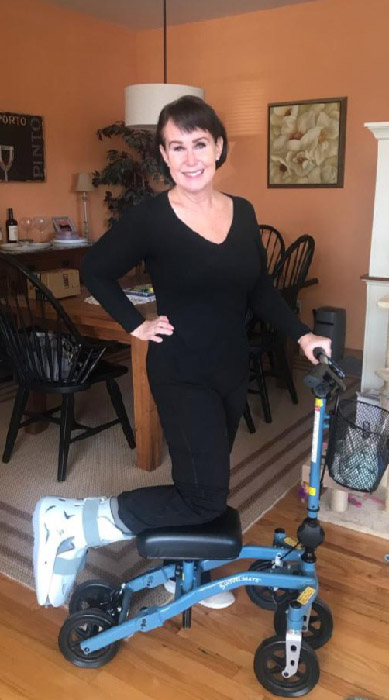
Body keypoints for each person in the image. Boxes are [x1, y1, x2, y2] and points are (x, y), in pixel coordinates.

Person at [33, 96, 331, 610]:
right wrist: (136, 325)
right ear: (165, 158)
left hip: (230, 369)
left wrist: (301, 334)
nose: (190, 157)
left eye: (199, 143)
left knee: (198, 475)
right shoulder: (150, 218)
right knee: (205, 495)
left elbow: (259, 287)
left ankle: (182, 574)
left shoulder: (242, 212)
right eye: (177, 147)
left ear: (217, 147)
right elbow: (96, 270)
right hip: (180, 369)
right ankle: (72, 521)